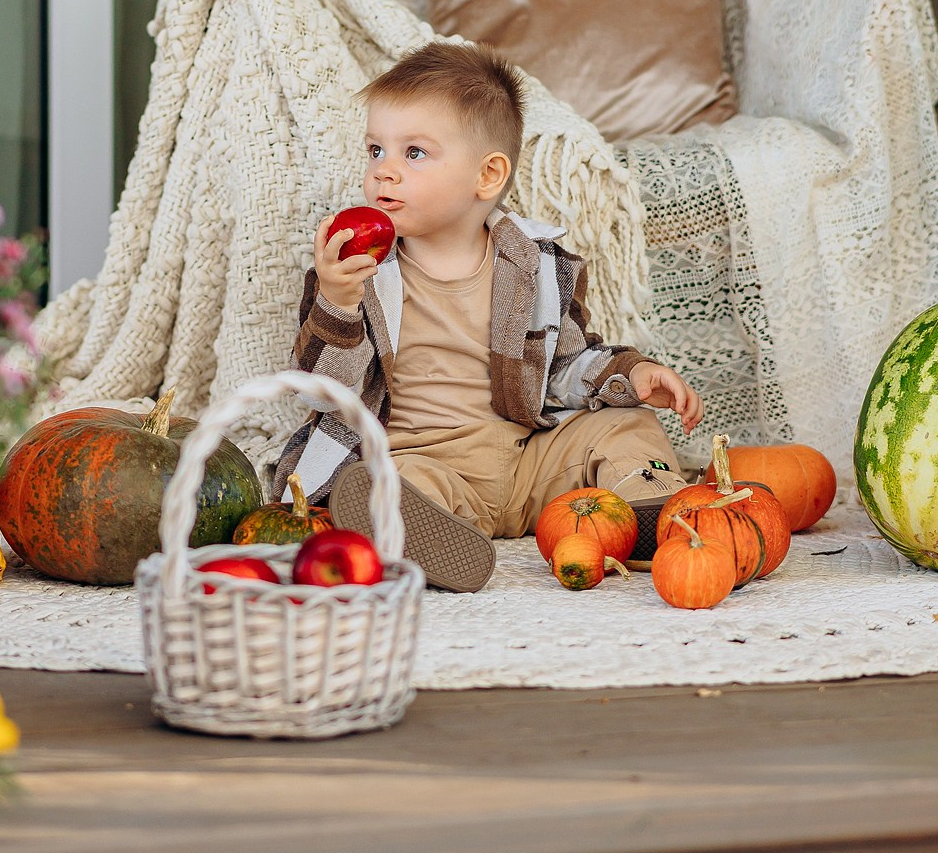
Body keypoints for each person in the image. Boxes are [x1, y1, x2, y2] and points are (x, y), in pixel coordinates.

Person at [270, 41, 703, 591]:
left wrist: (631, 374)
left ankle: (657, 517)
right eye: (375, 150)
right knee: (377, 483)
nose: (385, 173)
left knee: (626, 425)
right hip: (422, 466)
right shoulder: (355, 269)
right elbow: (324, 391)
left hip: (526, 462)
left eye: (415, 153)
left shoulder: (535, 263)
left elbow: (567, 364)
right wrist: (337, 301)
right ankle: (427, 536)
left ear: (488, 175)